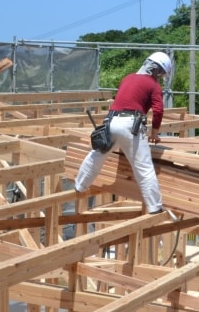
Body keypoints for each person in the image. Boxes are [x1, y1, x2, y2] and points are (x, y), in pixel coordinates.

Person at [74, 52, 172, 215]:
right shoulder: (153, 85)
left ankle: (80, 185)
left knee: (96, 155)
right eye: (160, 74)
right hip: (130, 126)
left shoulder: (127, 78)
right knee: (144, 168)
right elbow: (158, 110)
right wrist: (154, 133)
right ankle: (155, 207)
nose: (160, 78)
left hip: (110, 122)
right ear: (156, 70)